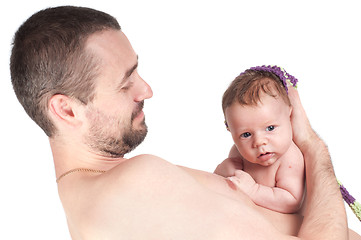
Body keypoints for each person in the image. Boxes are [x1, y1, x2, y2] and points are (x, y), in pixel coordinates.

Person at [10, 6, 360, 239]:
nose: (146, 89)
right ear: (67, 110)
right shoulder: (132, 186)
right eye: (125, 82)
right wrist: (313, 146)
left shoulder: (104, 196)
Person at [215, 66, 304, 213]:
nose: (259, 142)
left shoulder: (290, 158)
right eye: (246, 135)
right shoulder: (238, 153)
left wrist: (253, 190)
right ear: (230, 131)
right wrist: (222, 173)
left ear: (289, 115)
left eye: (270, 128)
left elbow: (291, 201)